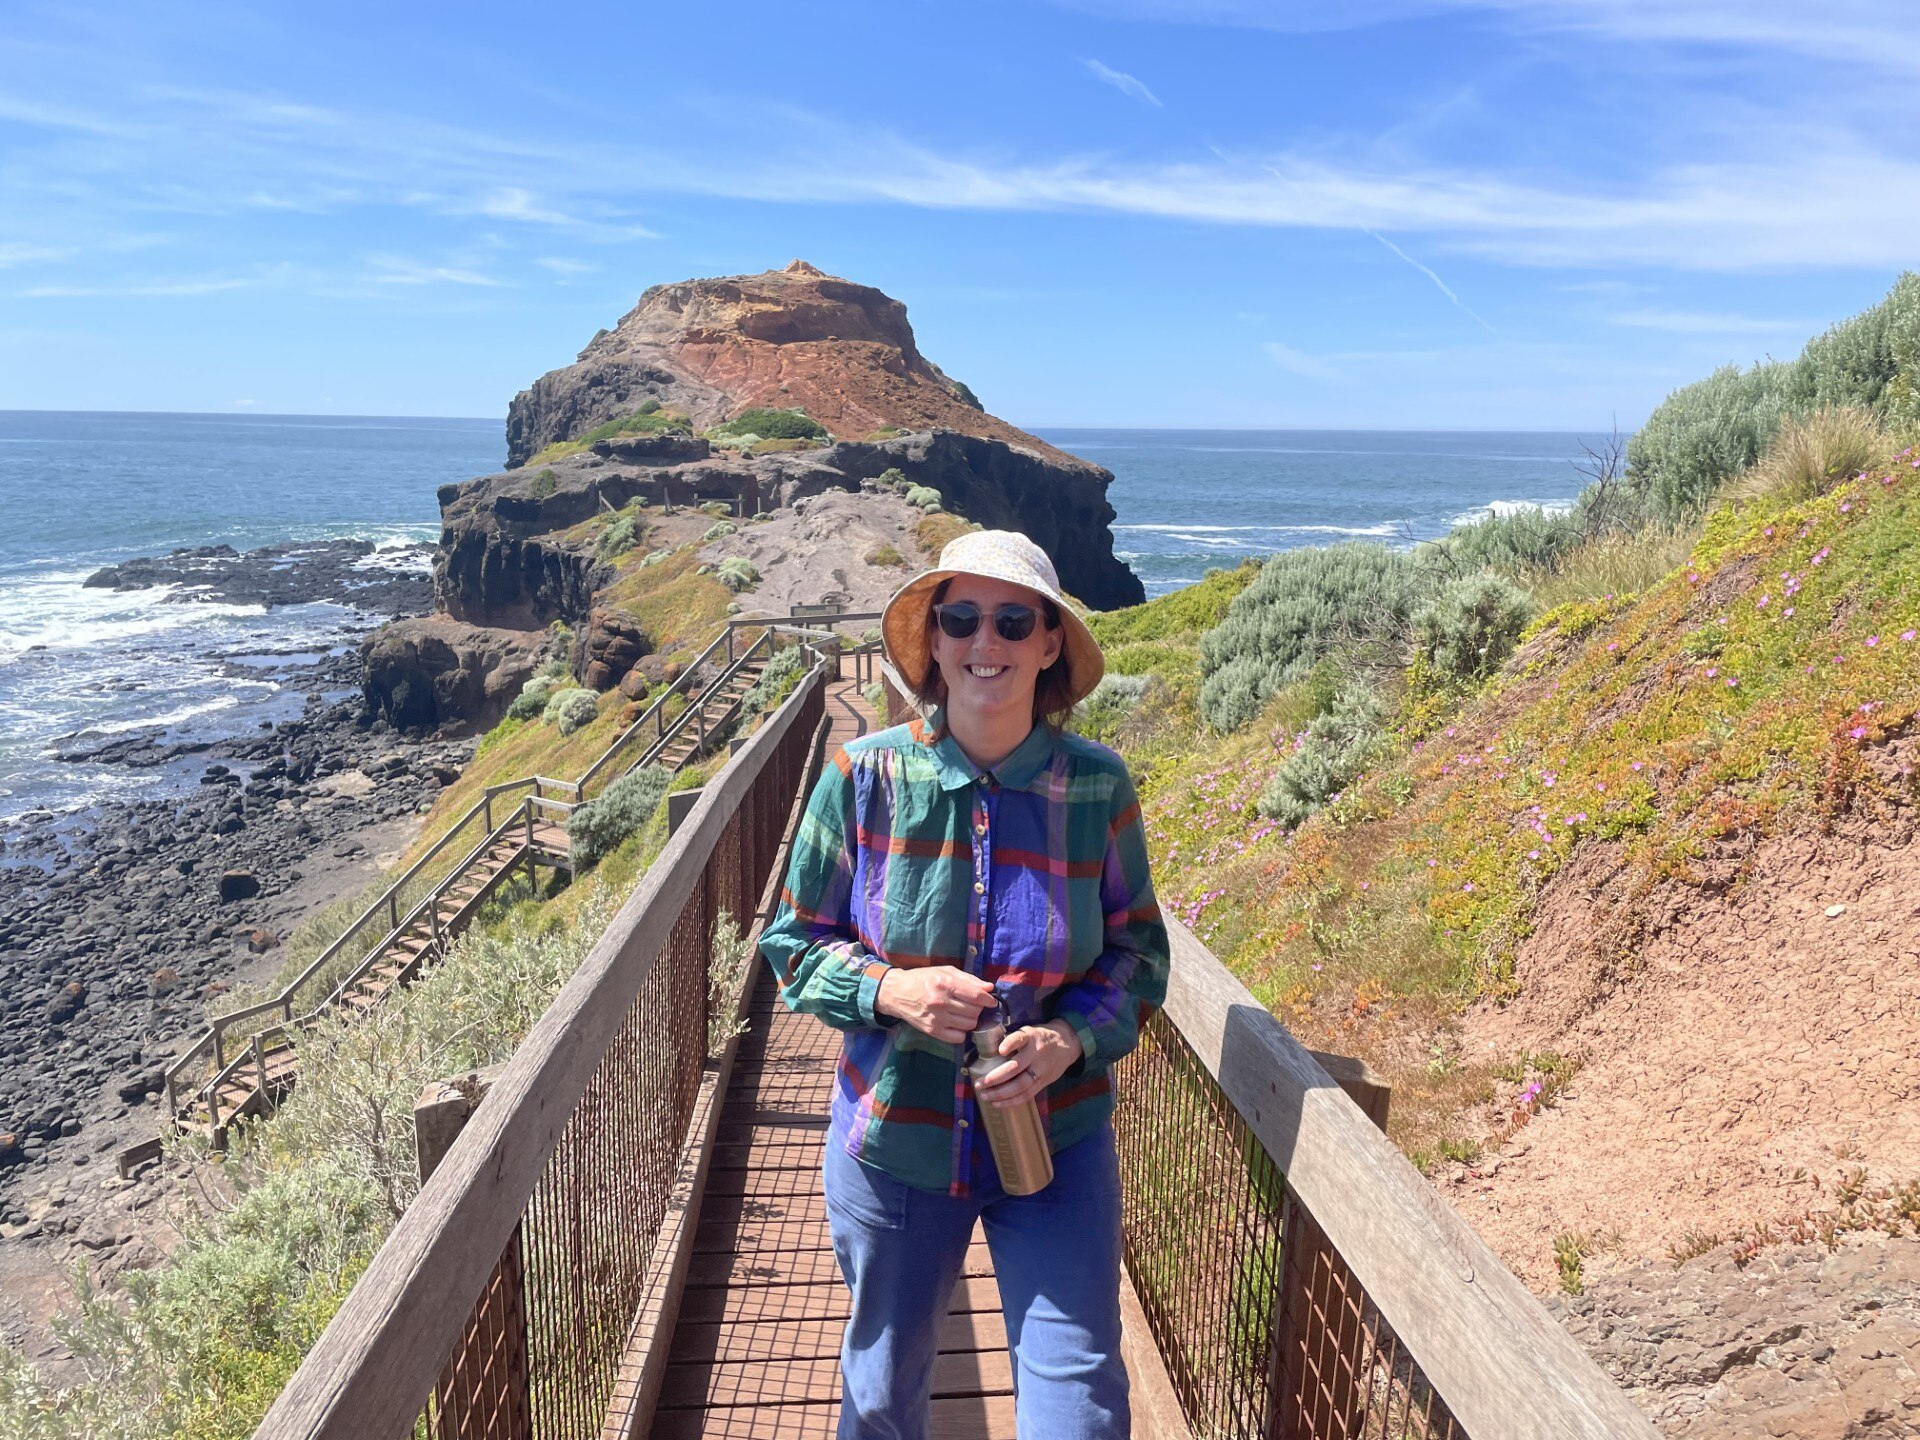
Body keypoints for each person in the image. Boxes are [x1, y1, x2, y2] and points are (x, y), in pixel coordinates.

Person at [759, 530, 1170, 1440]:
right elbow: (791, 940)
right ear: (935, 642)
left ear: (1051, 642)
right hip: (898, 1147)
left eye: (1015, 620)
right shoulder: (861, 778)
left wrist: (1069, 1039)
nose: (989, 640)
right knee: (881, 1397)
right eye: (963, 617)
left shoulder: (1097, 787)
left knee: (1083, 1402)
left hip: (1057, 1145)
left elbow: (1140, 954)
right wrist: (889, 993)